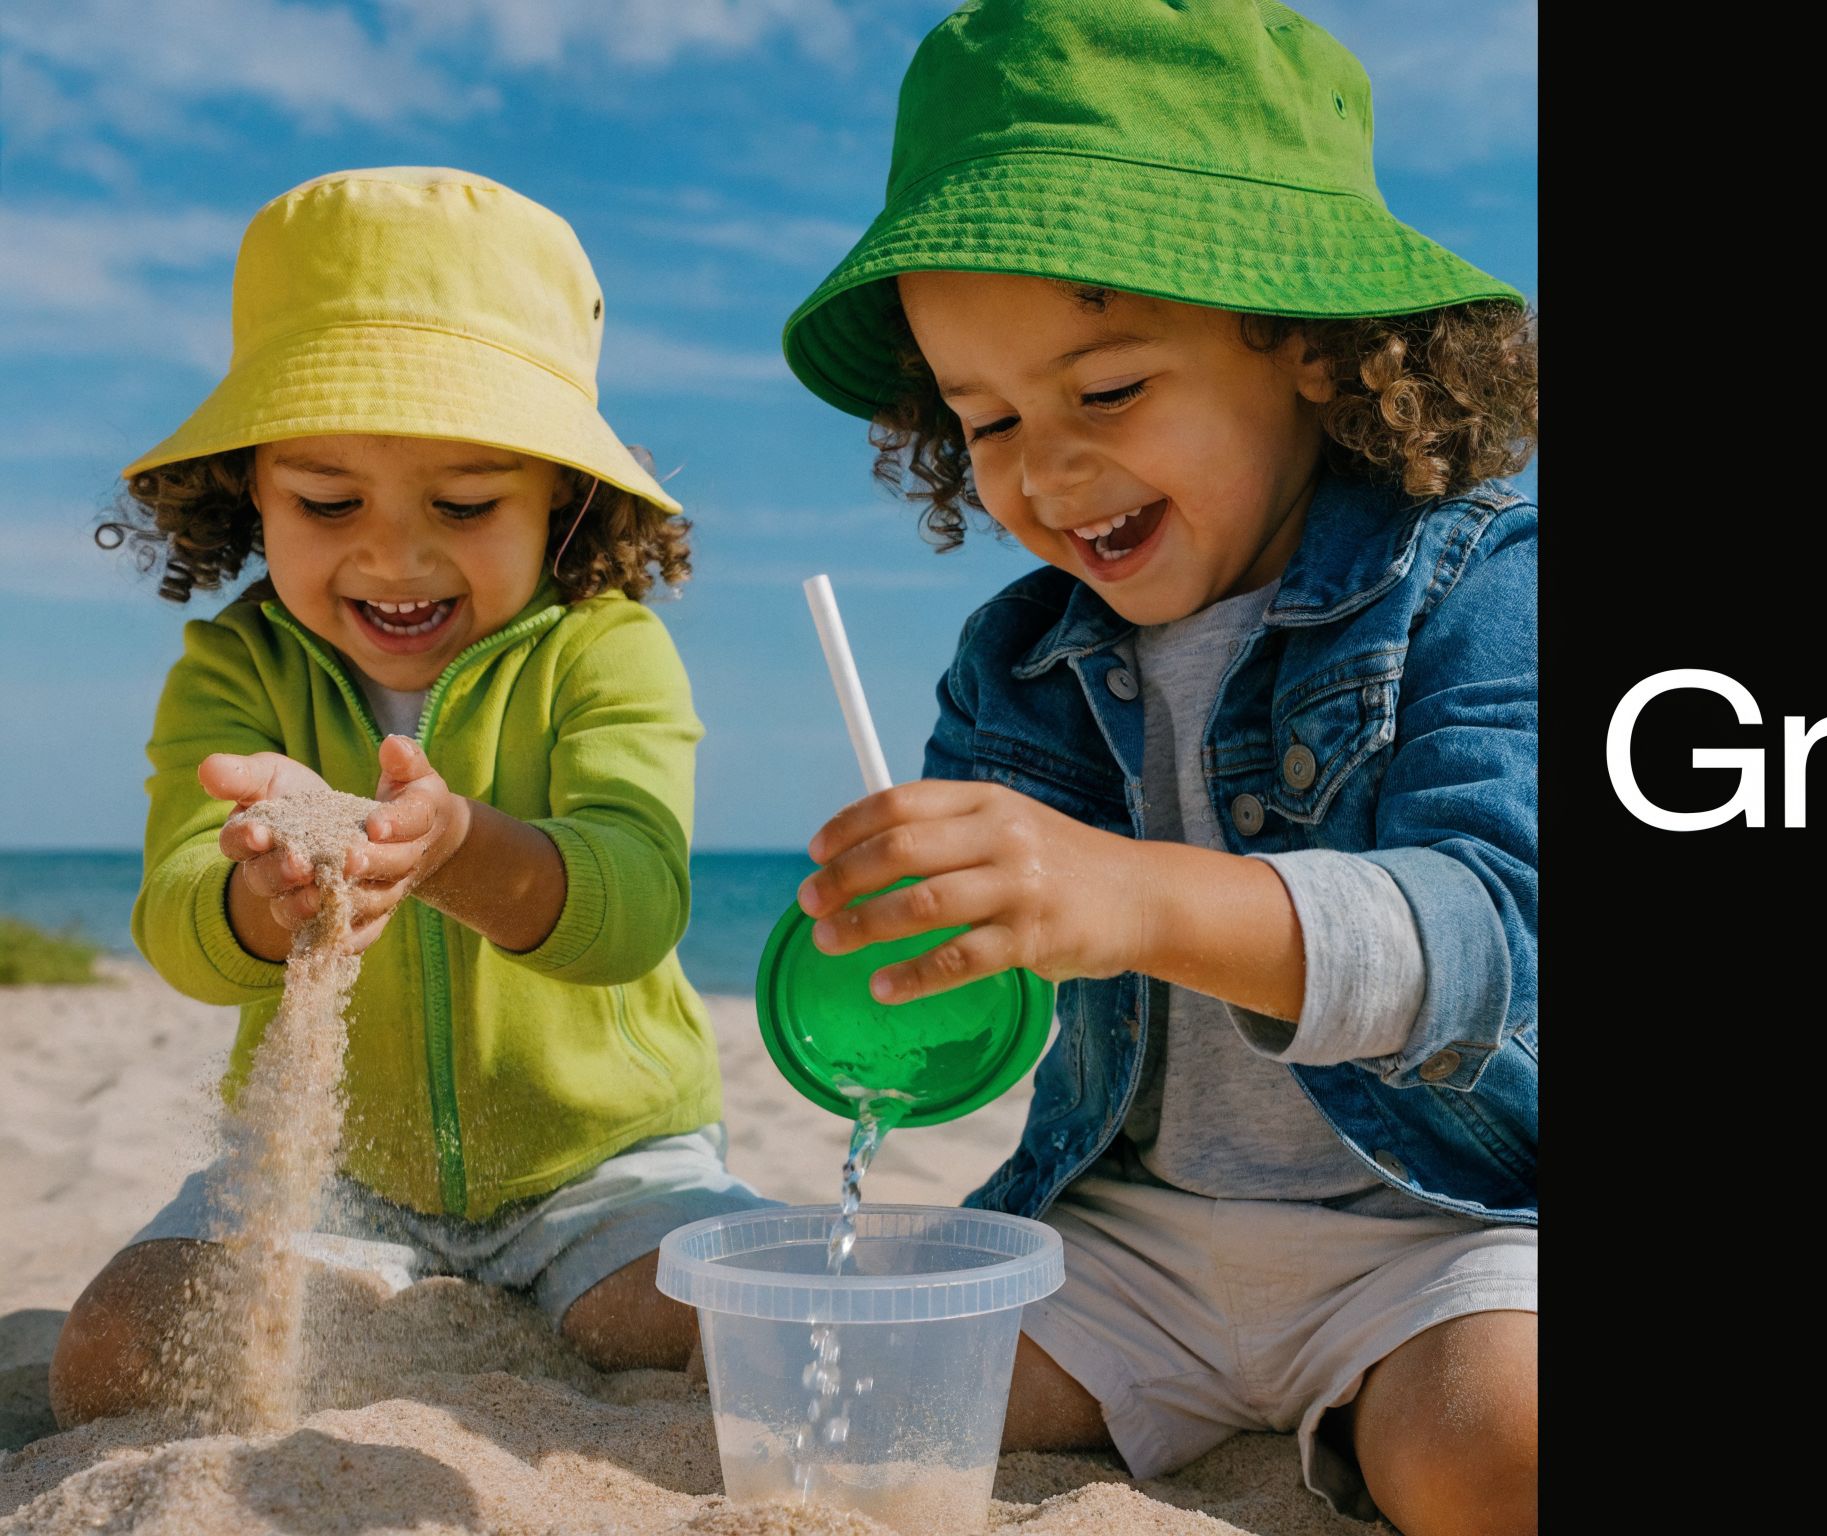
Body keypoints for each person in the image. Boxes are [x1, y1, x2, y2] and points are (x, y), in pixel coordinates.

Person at [777, 3, 1537, 1529]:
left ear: (1318, 353)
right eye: (984, 420)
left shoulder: (1475, 586)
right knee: (828, 1408)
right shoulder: (1021, 658)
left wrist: (1127, 895)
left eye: (1107, 391)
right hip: (1126, 1236)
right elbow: (1003, 972)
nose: (1043, 470)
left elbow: (1487, 937)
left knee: (1489, 1459)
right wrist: (911, 960)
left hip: (1439, 1233)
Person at [51, 167, 775, 1424]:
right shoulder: (238, 666)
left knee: (761, 1342)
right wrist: (266, 900)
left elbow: (637, 899)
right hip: (328, 1174)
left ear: (564, 493)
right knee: (113, 1359)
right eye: (328, 502)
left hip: (604, 1167)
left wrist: (459, 849)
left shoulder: (603, 650)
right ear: (250, 489)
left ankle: (550, 1300)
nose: (394, 555)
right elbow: (179, 920)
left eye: (466, 501)